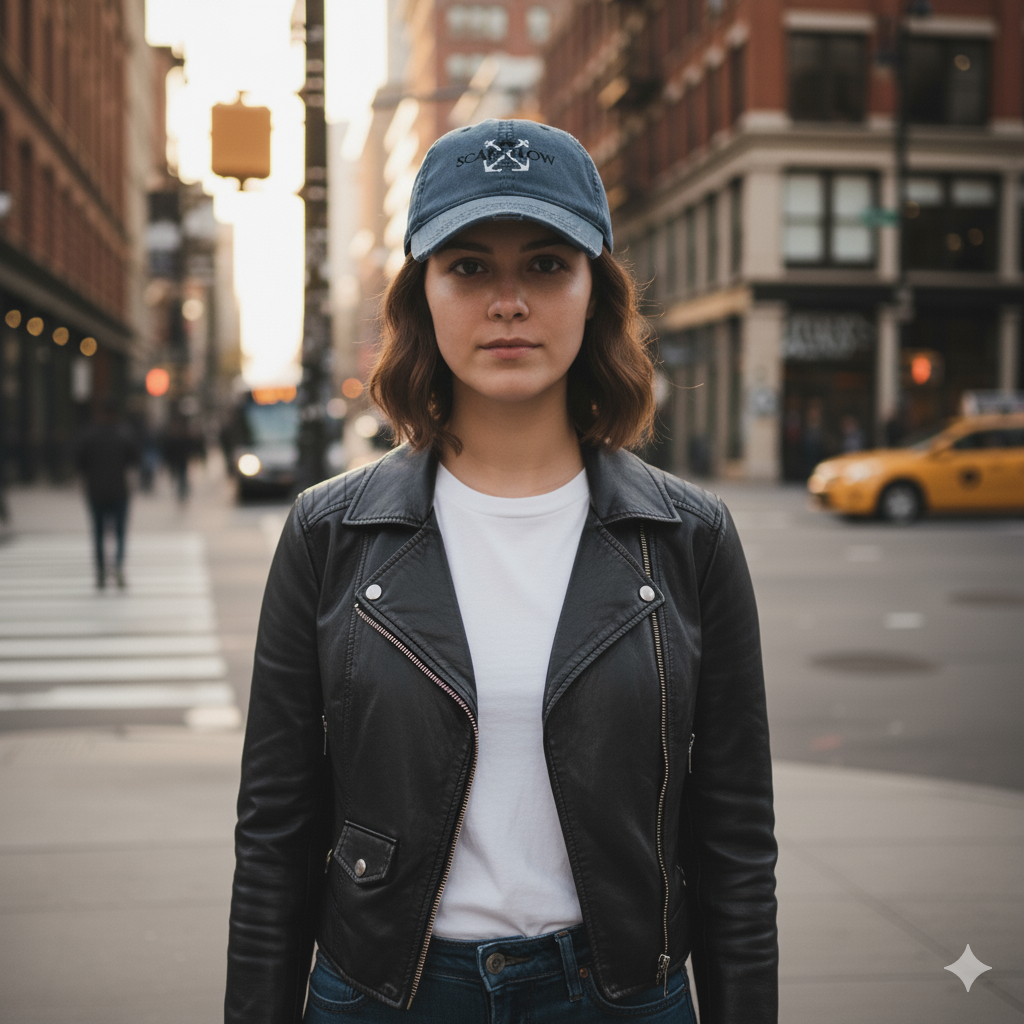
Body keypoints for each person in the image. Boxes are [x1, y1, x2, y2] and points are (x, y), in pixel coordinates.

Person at [226, 120, 777, 1024]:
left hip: (622, 996)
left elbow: (737, 843)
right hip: (382, 996)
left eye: (548, 265)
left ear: (596, 292)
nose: (509, 302)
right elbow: (275, 834)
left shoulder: (689, 536)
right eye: (470, 266)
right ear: (422, 297)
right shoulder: (329, 533)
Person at [75, 397, 139, 588]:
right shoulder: (125, 434)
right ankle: (118, 565)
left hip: (95, 490)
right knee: (119, 532)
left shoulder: (89, 435)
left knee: (98, 532)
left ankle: (101, 571)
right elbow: (135, 461)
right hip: (119, 490)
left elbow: (79, 463)